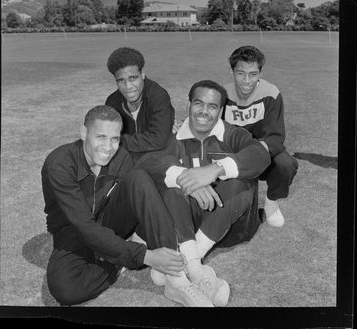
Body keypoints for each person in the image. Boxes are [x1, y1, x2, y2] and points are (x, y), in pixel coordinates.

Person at [41, 105, 215, 307]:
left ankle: (176, 279)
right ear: (83, 133)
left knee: (140, 178)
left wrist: (186, 179)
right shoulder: (59, 164)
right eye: (100, 137)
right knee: (65, 289)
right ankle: (122, 260)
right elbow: (85, 227)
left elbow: (146, 176)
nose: (108, 147)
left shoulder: (120, 157)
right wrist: (144, 256)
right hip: (73, 230)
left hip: (109, 221)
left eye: (114, 139)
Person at [137, 80, 270, 306]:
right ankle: (195, 269)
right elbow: (147, 162)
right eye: (198, 103)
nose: (204, 111)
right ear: (189, 104)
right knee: (170, 188)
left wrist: (215, 170)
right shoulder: (172, 135)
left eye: (212, 106)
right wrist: (188, 177)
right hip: (183, 222)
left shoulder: (232, 134)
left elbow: (260, 155)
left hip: (228, 225)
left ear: (221, 110)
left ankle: (179, 263)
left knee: (244, 181)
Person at [223, 45, 298, 227]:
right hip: (233, 153)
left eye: (253, 74)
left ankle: (271, 204)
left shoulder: (271, 93)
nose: (247, 80)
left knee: (286, 164)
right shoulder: (222, 94)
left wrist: (253, 154)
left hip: (262, 151)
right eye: (241, 73)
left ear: (260, 73)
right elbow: (208, 124)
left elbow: (275, 137)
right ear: (232, 71)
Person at [105, 47, 175, 163]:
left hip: (156, 162)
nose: (128, 87)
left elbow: (159, 140)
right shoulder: (112, 102)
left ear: (142, 74)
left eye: (133, 78)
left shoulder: (158, 97)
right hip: (125, 163)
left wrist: (117, 140)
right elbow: (106, 138)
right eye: (121, 80)